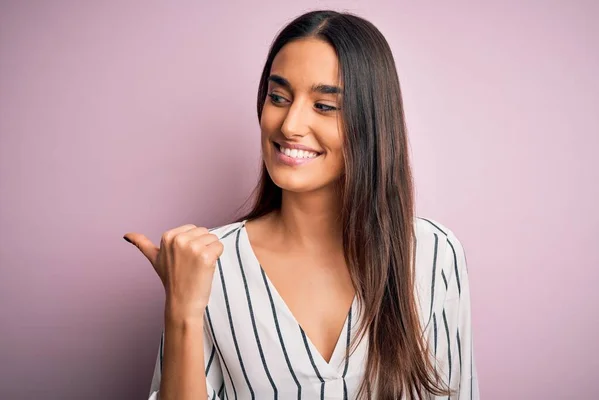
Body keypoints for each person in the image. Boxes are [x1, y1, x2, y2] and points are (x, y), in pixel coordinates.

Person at [124, 9, 479, 400]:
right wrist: (182, 310)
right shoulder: (207, 262)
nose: (289, 124)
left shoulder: (433, 254)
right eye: (278, 98)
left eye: (324, 106)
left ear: (372, 122)